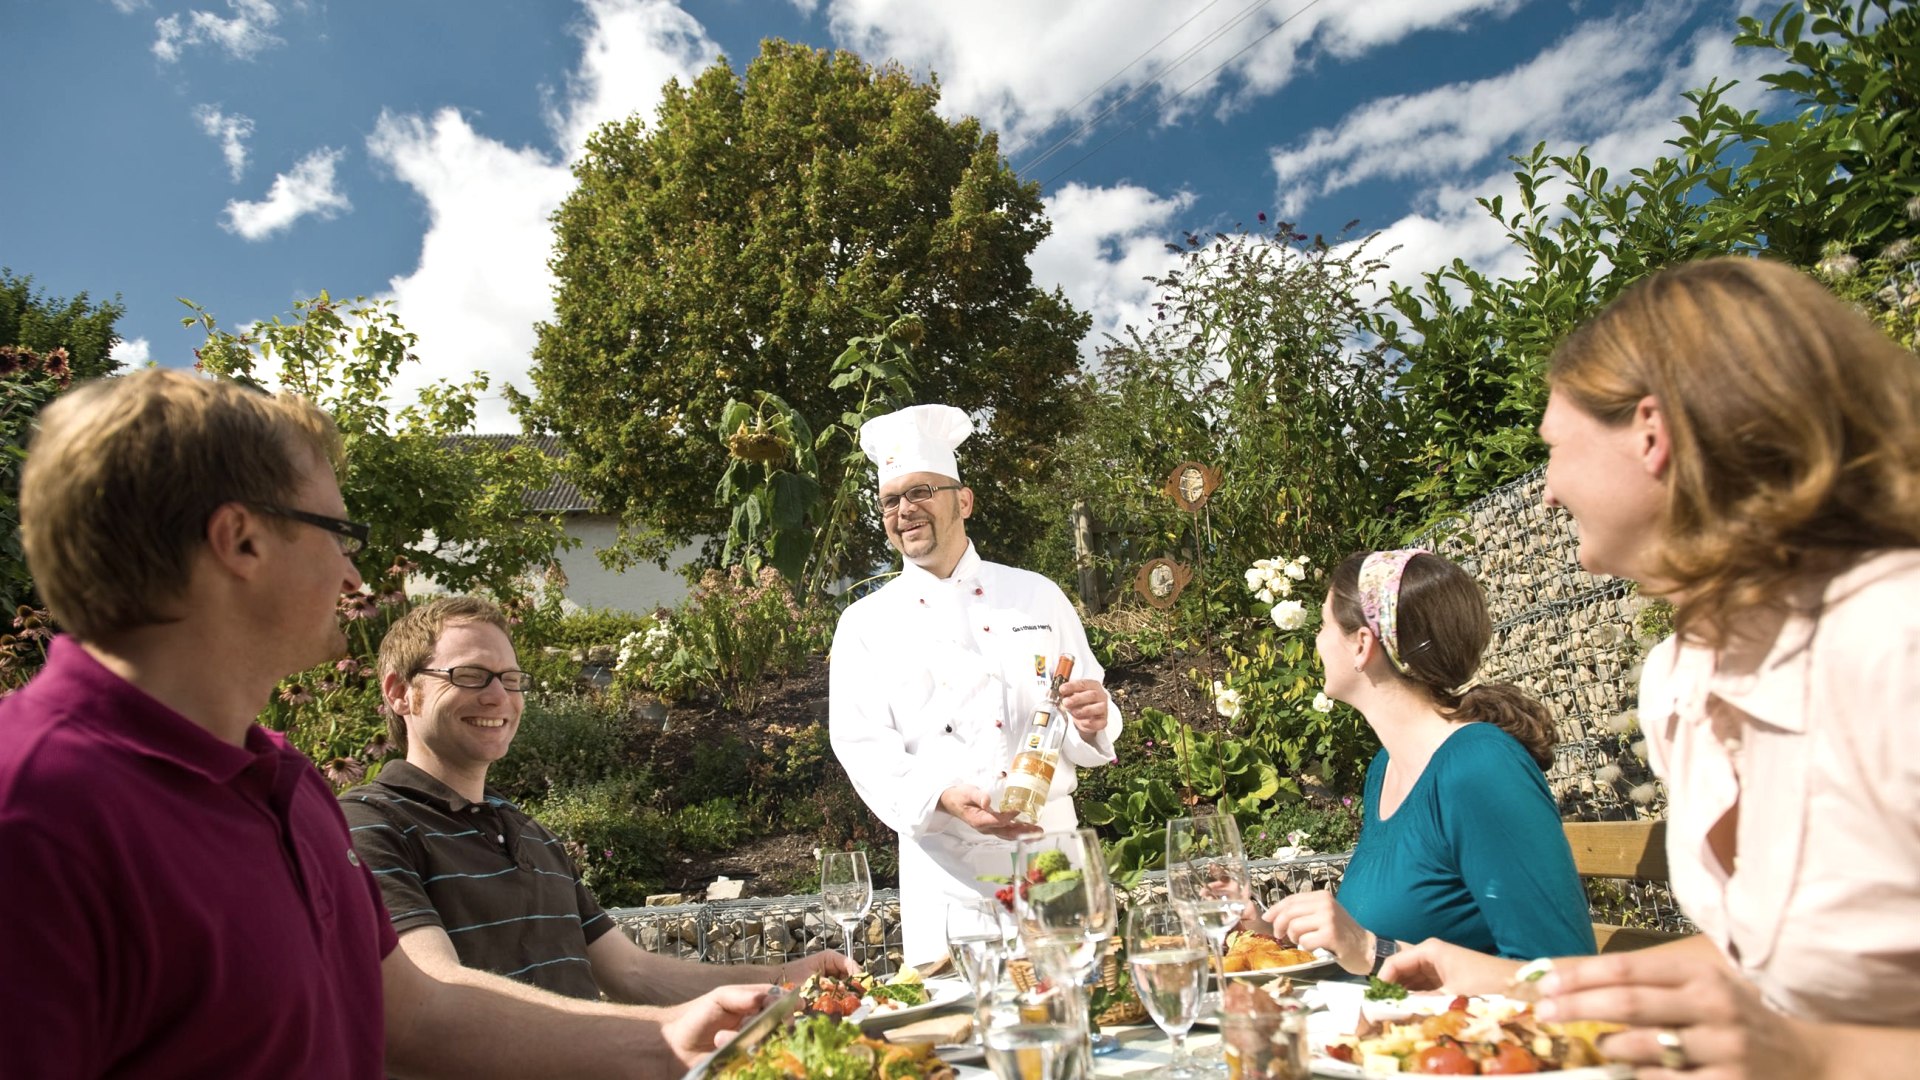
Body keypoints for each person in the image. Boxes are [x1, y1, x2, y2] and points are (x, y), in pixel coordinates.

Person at [0, 369, 764, 1077]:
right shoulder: (32, 809)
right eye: (336, 531)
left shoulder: (285, 789)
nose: (354, 575)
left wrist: (665, 1038)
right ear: (241, 540)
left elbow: (418, 1011)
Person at [1382, 256, 1920, 1077]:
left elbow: (1808, 1026)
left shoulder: (1894, 642)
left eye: (1555, 449)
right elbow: (1769, 962)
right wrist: (1523, 985)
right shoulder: (1684, 676)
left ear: (1651, 432)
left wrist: (1816, 1057)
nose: (1547, 494)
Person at [341, 595, 855, 1001]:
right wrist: (649, 1041)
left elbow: (632, 972)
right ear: (399, 692)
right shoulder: (369, 826)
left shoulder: (527, 833)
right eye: (470, 676)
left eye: (511, 679)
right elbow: (439, 992)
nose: (498, 695)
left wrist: (788, 979)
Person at [829, 403, 1121, 965]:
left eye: (920, 492)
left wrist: (1095, 717)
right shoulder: (864, 624)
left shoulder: (1037, 595)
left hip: (1049, 853)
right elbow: (862, 747)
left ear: (963, 500)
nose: (904, 510)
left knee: (1077, 1023)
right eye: (891, 500)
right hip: (945, 868)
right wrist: (942, 796)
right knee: (956, 1041)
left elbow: (1091, 713)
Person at [1263, 549, 1595, 975]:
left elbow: (1564, 973)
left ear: (1362, 645)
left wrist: (1372, 950)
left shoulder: (1479, 767)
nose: (1317, 640)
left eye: (1324, 625)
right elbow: (1385, 932)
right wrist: (1272, 929)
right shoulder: (1385, 770)